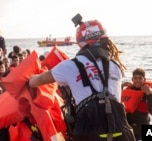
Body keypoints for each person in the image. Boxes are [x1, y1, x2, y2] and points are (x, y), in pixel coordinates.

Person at [29, 13, 135, 141]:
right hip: (120, 129)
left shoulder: (69, 66)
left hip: (88, 130)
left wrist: (29, 76)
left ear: (80, 43)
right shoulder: (115, 65)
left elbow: (36, 81)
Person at [122, 68, 152, 140]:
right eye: (135, 78)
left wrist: (149, 94)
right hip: (129, 128)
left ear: (144, 80)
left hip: (142, 129)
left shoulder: (149, 94)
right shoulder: (127, 91)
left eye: (140, 78)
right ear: (132, 79)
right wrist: (120, 87)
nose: (137, 80)